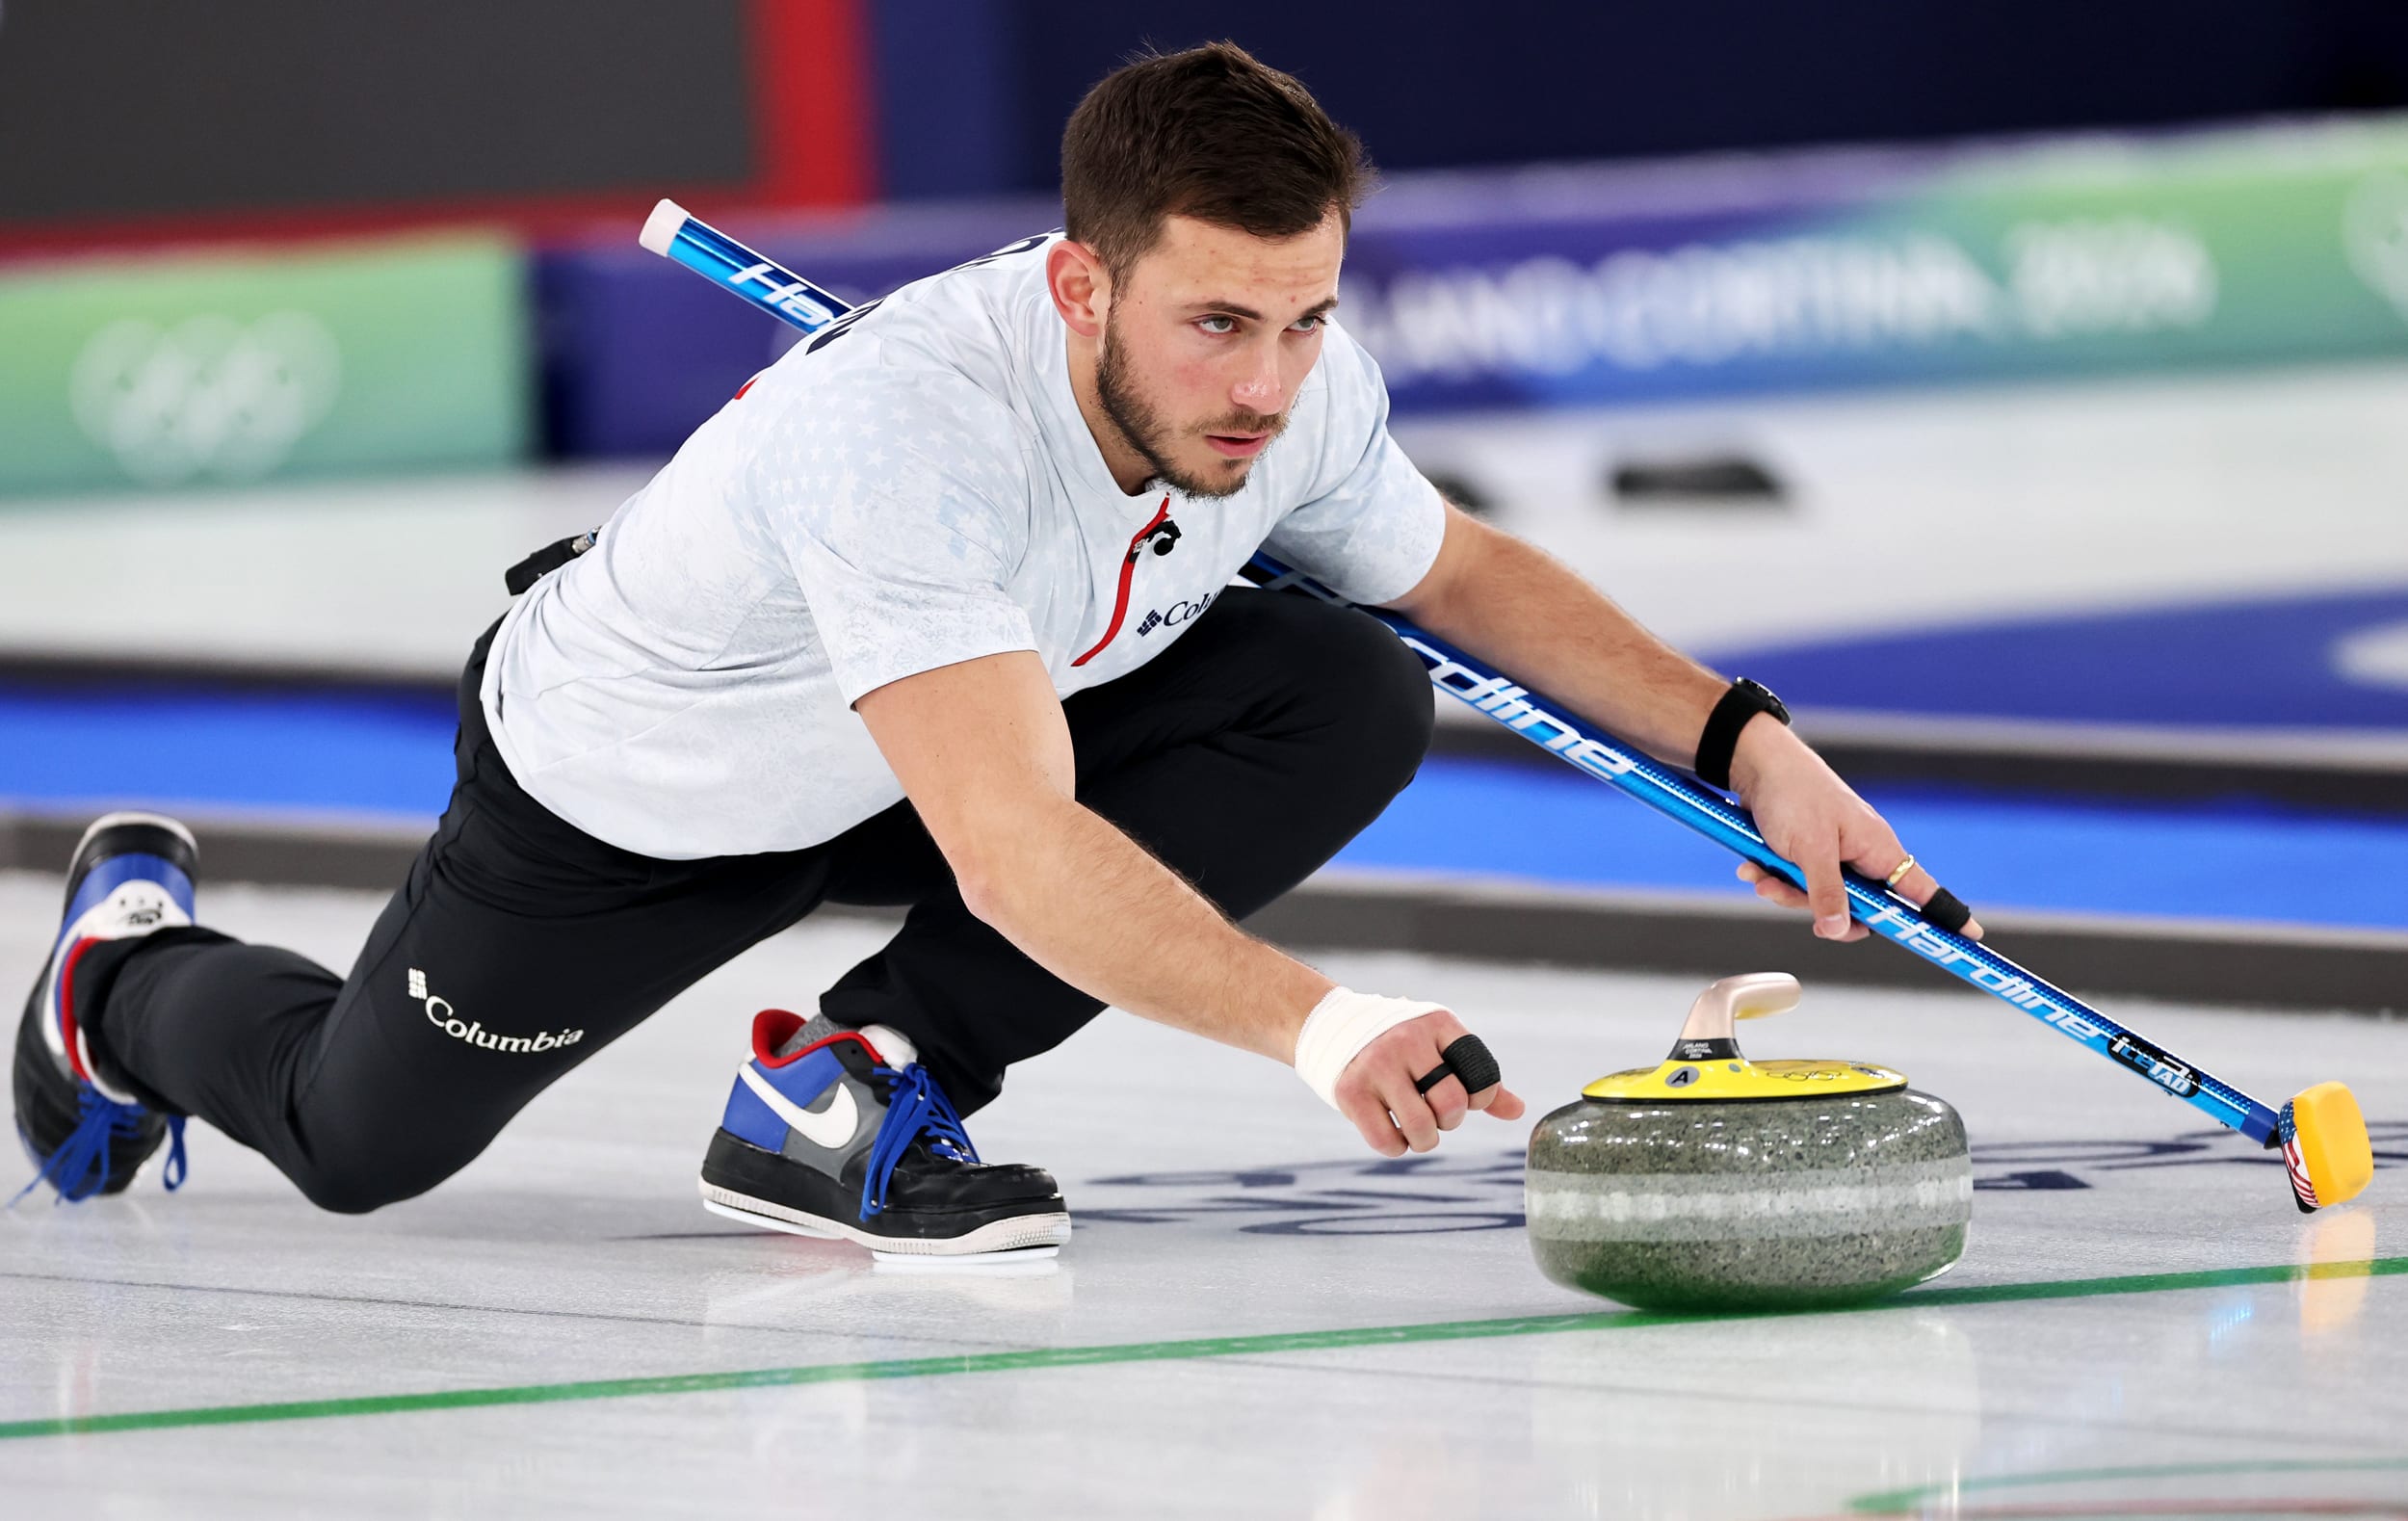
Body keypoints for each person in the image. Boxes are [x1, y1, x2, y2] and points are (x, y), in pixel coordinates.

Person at [13, 42, 1977, 1257]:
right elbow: (1017, 847)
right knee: (361, 1144)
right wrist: (1318, 1027)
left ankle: (861, 1080)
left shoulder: (1284, 387)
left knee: (1344, 676)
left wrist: (1744, 740)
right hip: (639, 791)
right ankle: (121, 981)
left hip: (935, 747)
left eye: (1304, 321)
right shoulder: (906, 436)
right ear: (1077, 279)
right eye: (1219, 323)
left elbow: (1452, 572)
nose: (1271, 382)